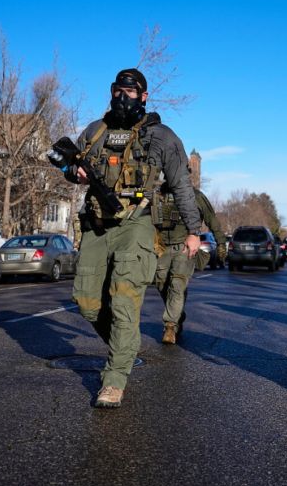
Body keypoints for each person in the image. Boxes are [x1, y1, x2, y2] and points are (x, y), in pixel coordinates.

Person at [57, 68, 201, 408]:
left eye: (131, 91)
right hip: (96, 226)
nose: (123, 97)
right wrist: (74, 172)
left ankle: (114, 380)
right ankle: (125, 344)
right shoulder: (95, 130)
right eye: (117, 90)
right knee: (86, 302)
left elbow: (181, 185)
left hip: (135, 224)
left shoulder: (161, 136)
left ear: (144, 96)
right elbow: (70, 168)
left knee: (124, 300)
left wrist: (194, 231)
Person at [154, 188, 227, 345]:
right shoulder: (157, 193)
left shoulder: (195, 195)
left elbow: (211, 218)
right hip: (161, 247)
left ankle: (170, 326)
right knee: (161, 283)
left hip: (185, 246)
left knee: (177, 284)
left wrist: (221, 242)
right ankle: (178, 314)